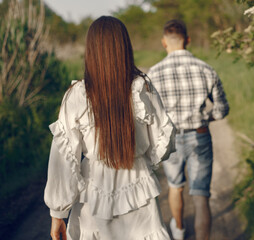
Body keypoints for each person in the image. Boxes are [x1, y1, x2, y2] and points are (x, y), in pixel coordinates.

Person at [44, 16, 176, 240]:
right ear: (124, 47)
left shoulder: (77, 95)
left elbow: (65, 160)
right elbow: (164, 141)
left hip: (93, 200)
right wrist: (141, 160)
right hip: (139, 193)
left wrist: (58, 213)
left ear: (91, 50)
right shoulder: (142, 88)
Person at [147, 20, 229, 240]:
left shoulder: (154, 73)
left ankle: (180, 230)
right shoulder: (206, 69)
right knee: (201, 195)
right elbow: (222, 110)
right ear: (188, 40)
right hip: (199, 136)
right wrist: (204, 118)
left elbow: (149, 115)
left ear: (164, 42)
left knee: (175, 187)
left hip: (170, 139)